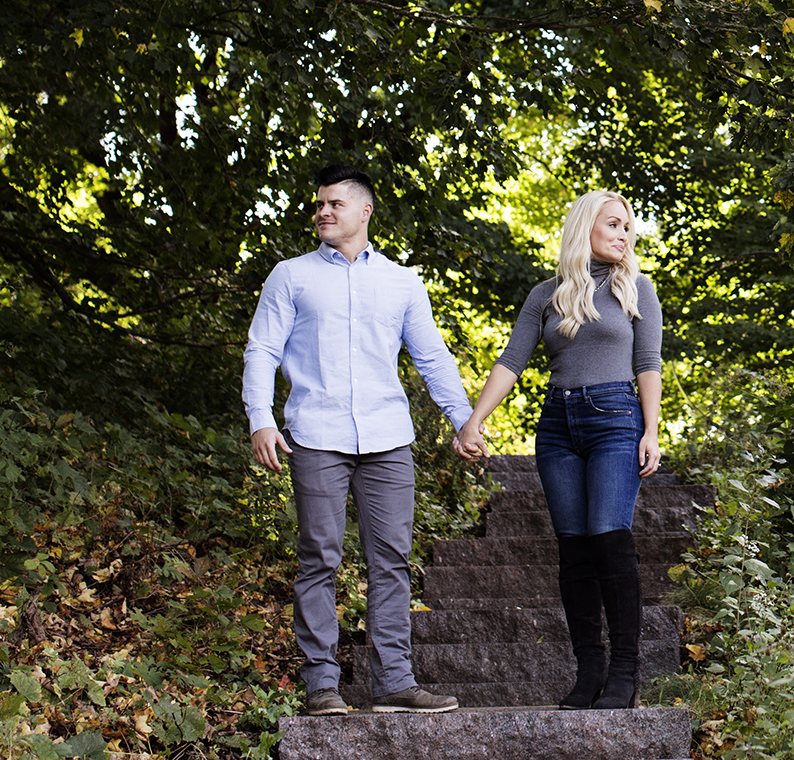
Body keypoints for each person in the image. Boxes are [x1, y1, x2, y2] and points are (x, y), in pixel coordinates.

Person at [242, 165, 484, 717]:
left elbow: (431, 357)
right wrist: (261, 418)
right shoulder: (291, 276)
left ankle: (395, 682)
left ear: (365, 211)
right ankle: (322, 686)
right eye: (319, 204)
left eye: (335, 204)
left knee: (392, 562)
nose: (323, 212)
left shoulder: (401, 281)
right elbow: (262, 351)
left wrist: (463, 420)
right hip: (316, 435)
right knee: (319, 559)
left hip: (387, 439)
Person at [455, 188, 663, 710]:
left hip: (617, 420)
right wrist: (473, 422)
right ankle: (589, 669)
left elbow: (649, 364)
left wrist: (651, 430)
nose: (623, 235)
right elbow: (511, 361)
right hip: (557, 427)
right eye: (613, 224)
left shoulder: (637, 289)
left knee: (609, 538)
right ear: (584, 227)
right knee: (573, 551)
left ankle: (624, 672)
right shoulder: (545, 294)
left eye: (627, 228)